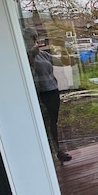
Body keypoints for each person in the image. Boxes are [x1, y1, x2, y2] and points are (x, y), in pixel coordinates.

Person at [23, 27, 72, 163]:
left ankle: (57, 151)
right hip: (40, 95)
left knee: (52, 124)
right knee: (44, 124)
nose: (36, 40)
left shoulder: (42, 55)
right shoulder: (24, 56)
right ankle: (46, 155)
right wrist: (31, 55)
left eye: (36, 37)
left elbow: (65, 62)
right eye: (33, 37)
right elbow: (27, 70)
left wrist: (62, 47)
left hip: (52, 92)